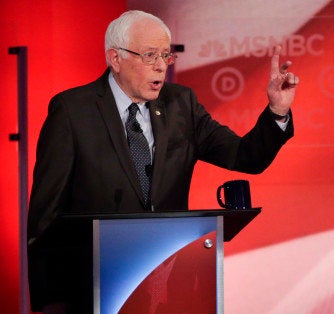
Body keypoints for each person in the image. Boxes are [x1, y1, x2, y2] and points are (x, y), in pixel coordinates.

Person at [27, 10, 298, 313]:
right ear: (115, 59)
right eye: (149, 56)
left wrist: (277, 113)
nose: (160, 67)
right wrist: (50, 301)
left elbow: (244, 156)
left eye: (166, 56)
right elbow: (45, 213)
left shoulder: (181, 104)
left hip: (167, 283)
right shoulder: (72, 110)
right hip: (92, 288)